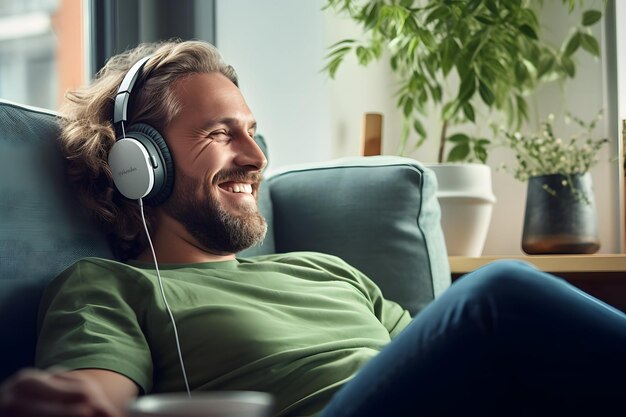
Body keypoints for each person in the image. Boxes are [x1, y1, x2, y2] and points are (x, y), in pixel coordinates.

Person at [0, 39, 624, 417]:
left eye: (251, 129)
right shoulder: (107, 286)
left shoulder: (327, 271)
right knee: (497, 296)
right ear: (141, 166)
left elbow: (439, 358)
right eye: (220, 134)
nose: (256, 155)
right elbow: (94, 394)